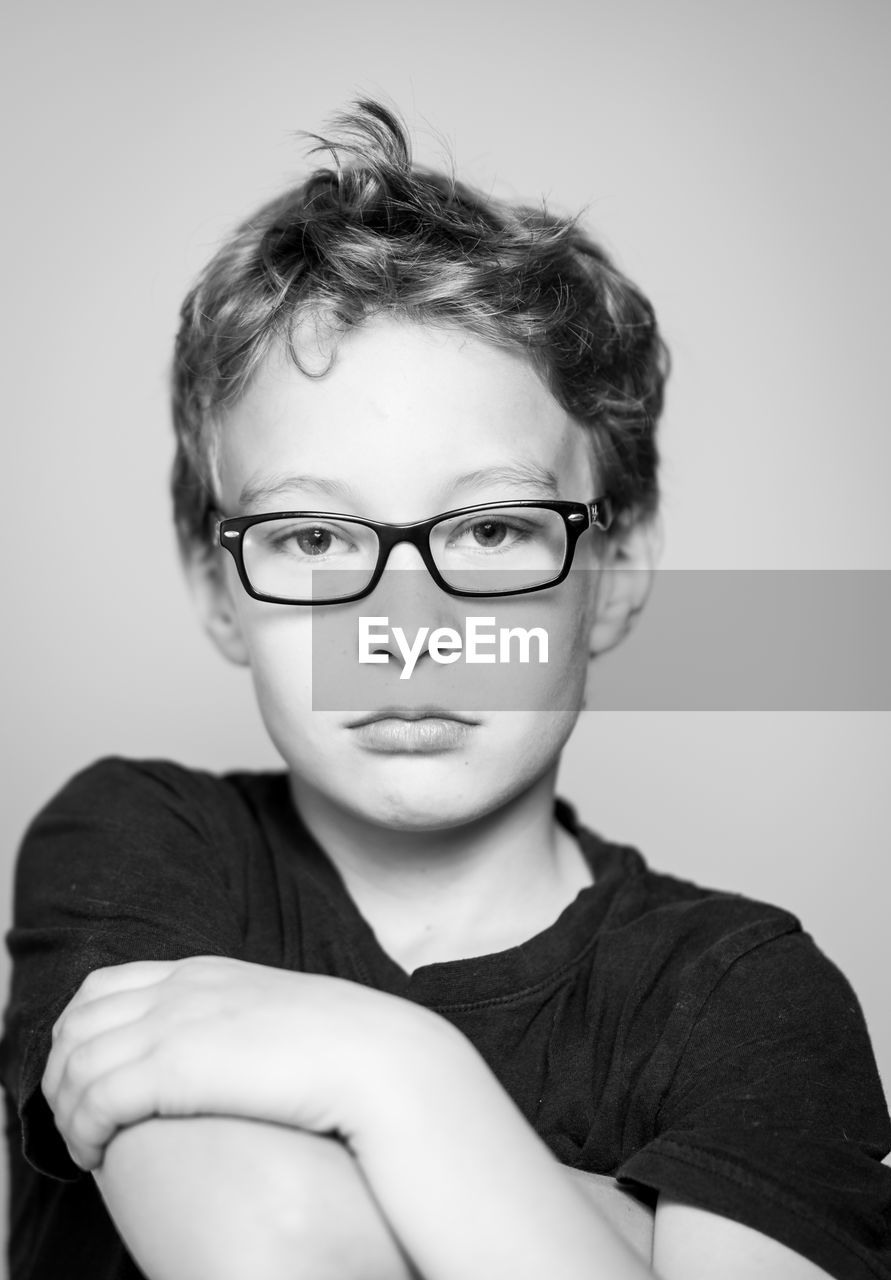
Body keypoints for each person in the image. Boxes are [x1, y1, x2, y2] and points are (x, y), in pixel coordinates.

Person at [2, 100, 889, 1280]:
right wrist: (624, 1230)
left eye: (494, 528)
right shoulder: (139, 841)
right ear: (220, 589)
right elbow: (266, 1240)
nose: (403, 632)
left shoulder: (748, 995)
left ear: (613, 573)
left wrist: (391, 1070)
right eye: (314, 539)